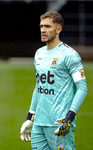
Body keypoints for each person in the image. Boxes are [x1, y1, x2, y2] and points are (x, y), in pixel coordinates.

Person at [20, 11, 88, 150]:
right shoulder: (39, 53)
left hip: (59, 123)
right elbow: (39, 86)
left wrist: (70, 117)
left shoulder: (70, 55)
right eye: (41, 26)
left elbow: (82, 87)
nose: (43, 30)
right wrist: (30, 117)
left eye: (47, 26)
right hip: (39, 124)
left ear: (59, 29)